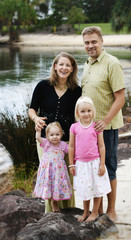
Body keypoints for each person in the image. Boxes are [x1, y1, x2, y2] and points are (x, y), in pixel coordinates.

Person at [81, 26, 125, 222]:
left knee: (109, 167)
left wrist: (105, 120)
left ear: (101, 41)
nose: (90, 45)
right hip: (88, 130)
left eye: (93, 41)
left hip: (106, 128)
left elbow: (121, 98)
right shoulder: (87, 64)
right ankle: (94, 210)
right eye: (87, 42)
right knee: (93, 169)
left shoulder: (112, 63)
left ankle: (112, 210)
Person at [28, 52, 82, 213]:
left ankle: (69, 213)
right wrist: (35, 119)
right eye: (61, 64)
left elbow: (78, 117)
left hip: (67, 142)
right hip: (44, 141)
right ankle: (49, 214)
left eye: (68, 65)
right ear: (55, 66)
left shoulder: (76, 91)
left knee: (66, 178)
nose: (64, 68)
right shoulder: (43, 86)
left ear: (72, 69)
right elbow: (32, 109)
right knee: (48, 178)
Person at [69, 96, 111, 223]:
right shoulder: (74, 127)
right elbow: (71, 146)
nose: (86, 114)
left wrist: (102, 164)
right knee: (85, 188)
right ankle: (85, 211)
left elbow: (102, 146)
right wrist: (71, 164)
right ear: (77, 113)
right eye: (82, 111)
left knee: (97, 187)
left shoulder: (96, 127)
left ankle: (95, 211)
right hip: (81, 164)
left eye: (89, 111)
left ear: (93, 111)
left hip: (95, 163)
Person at [34, 122, 72, 212]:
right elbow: (37, 138)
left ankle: (55, 202)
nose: (54, 137)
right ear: (47, 136)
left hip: (58, 172)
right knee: (49, 186)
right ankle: (53, 203)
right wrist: (38, 131)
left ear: (61, 135)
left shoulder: (63, 145)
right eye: (51, 135)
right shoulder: (46, 143)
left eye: (57, 134)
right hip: (48, 171)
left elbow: (72, 151)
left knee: (56, 187)